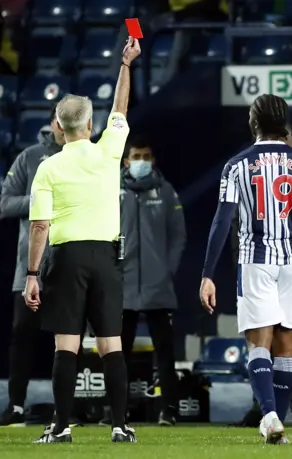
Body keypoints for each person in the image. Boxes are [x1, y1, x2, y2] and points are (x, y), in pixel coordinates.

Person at [24, 36, 141, 444]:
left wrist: (32, 273)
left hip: (66, 257)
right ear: (90, 126)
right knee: (111, 345)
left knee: (66, 346)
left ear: (58, 126)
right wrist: (126, 65)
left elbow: (39, 227)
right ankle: (121, 427)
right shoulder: (109, 150)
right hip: (106, 258)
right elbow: (120, 109)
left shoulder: (48, 168)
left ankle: (61, 427)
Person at [200, 94, 292, 444]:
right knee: (286, 346)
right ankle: (277, 426)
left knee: (258, 342)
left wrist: (208, 272)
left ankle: (269, 415)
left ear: (253, 123)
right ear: (284, 125)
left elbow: (222, 222)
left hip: (256, 260)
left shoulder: (237, 166)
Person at [0, 105, 64, 427]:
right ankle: (15, 406)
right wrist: (41, 200)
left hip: (71, 262)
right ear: (53, 123)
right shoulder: (30, 157)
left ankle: (68, 408)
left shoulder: (86, 158)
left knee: (68, 337)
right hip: (31, 264)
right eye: (61, 121)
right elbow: (6, 203)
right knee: (22, 334)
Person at [118, 138, 186, 426]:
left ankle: (168, 410)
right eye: (136, 156)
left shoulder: (166, 191)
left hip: (159, 285)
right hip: (123, 284)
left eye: (146, 155)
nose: (141, 160)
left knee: (165, 351)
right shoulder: (113, 192)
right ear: (126, 161)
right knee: (118, 351)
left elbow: (178, 236)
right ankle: (116, 411)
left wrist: (166, 270)